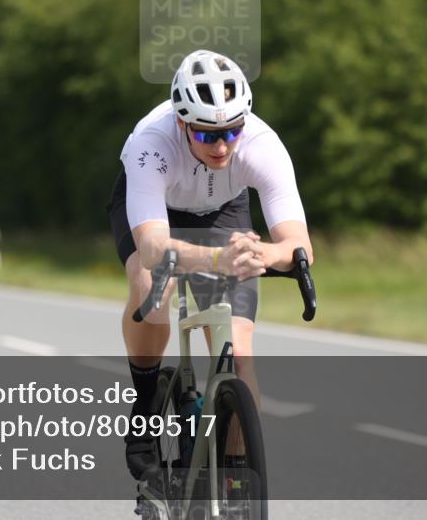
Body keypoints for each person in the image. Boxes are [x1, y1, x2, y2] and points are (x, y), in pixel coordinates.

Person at [108, 49, 313, 481]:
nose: (221, 146)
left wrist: (260, 254)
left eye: (231, 132)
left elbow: (298, 245)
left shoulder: (261, 145)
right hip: (158, 211)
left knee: (239, 356)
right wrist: (217, 259)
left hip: (222, 211)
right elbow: (152, 247)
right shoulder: (152, 144)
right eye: (206, 136)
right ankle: (145, 407)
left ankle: (236, 477)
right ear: (182, 123)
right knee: (152, 287)